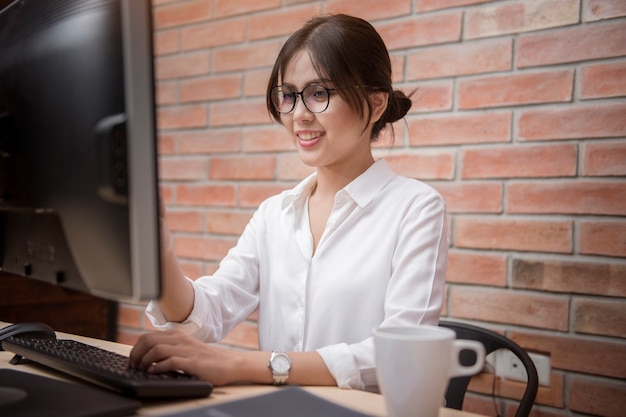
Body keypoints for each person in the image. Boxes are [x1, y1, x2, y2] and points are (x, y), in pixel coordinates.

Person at [129, 13, 448, 391]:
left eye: (318, 93)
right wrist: (160, 254)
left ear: (375, 104)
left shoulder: (416, 208)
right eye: (287, 95)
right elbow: (207, 313)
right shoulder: (274, 214)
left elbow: (399, 354)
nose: (298, 115)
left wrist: (240, 364)